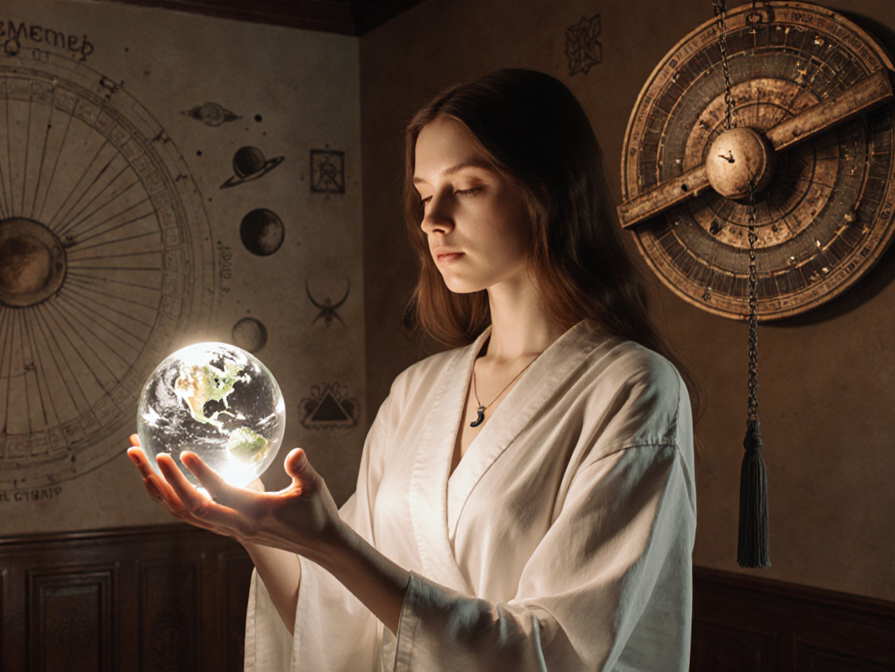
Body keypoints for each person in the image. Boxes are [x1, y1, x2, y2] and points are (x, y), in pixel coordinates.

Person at [128, 68, 697, 672]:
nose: (432, 220)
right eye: (426, 195)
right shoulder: (416, 391)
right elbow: (335, 625)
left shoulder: (633, 389)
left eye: (467, 187)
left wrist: (329, 542)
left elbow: (561, 653)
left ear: (549, 189)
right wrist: (254, 527)